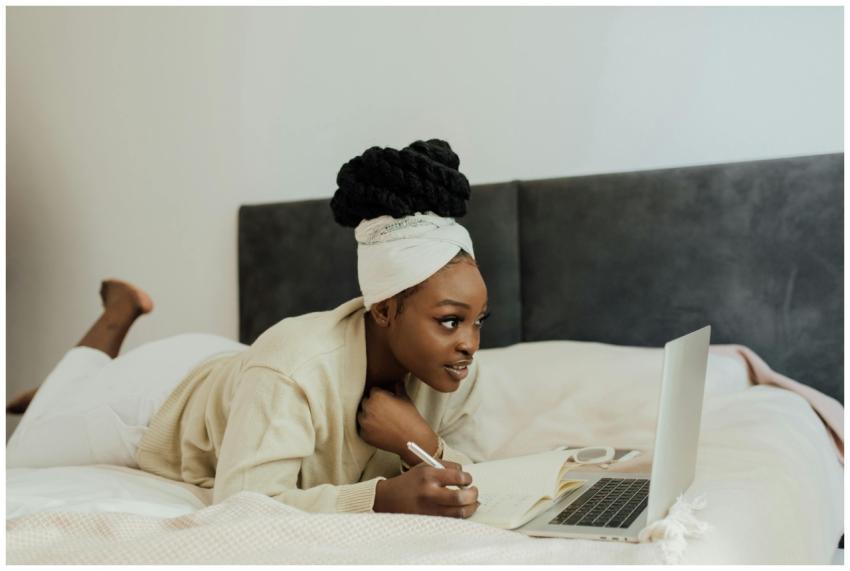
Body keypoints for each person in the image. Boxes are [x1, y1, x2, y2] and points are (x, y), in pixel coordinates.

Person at [6, 139, 489, 519]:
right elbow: (243, 504)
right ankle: (118, 312)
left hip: (242, 377)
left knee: (59, 399)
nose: (469, 343)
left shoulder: (454, 371)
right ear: (383, 310)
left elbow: (484, 484)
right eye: (449, 321)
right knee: (22, 447)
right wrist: (380, 498)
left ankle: (60, 389)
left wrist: (421, 443)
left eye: (477, 321)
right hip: (160, 400)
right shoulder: (293, 369)